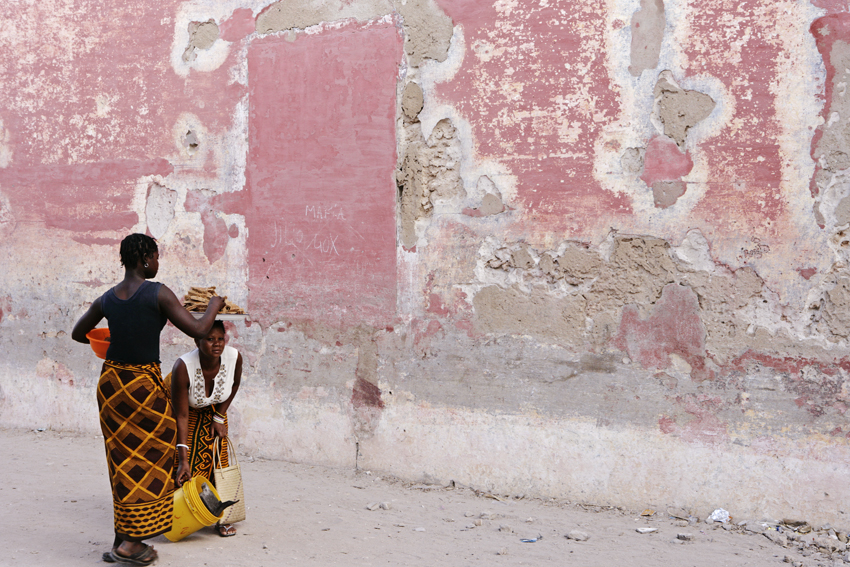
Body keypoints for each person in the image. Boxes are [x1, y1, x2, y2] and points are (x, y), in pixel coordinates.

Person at [71, 233, 224, 566]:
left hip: (111, 385)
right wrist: (214, 306)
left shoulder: (108, 298)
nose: (157, 263)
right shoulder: (157, 292)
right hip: (140, 385)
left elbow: (78, 333)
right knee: (156, 452)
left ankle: (121, 538)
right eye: (155, 257)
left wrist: (115, 338)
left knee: (122, 458)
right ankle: (132, 545)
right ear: (143, 259)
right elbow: (199, 331)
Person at [167, 320, 243, 537]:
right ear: (196, 340)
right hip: (184, 412)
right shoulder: (183, 366)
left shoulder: (234, 357)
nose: (217, 344)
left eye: (221, 338)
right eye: (210, 339)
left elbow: (235, 384)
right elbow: (181, 414)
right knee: (182, 466)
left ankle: (221, 517)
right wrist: (183, 458)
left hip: (214, 411)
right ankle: (177, 516)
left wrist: (219, 416)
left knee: (218, 462)